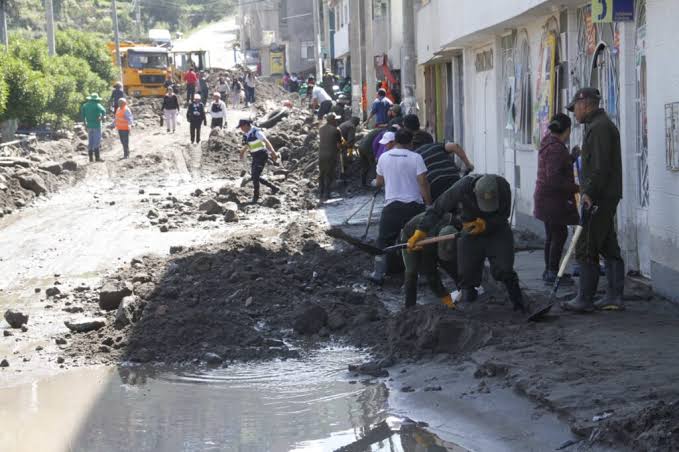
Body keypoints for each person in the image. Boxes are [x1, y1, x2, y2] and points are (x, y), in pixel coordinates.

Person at [408, 174, 527, 313]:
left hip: (498, 231)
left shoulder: (503, 187)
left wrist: (486, 225)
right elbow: (438, 208)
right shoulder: (462, 188)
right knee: (466, 273)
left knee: (504, 269)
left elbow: (504, 215)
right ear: (475, 192)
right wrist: (420, 231)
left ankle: (519, 306)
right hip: (470, 231)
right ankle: (469, 311)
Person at [561, 87, 624, 312]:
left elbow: (600, 167)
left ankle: (585, 298)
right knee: (607, 243)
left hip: (599, 196)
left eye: (575, 109)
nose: (574, 114)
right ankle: (614, 296)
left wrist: (588, 193)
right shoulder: (598, 126)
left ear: (585, 104)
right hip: (605, 194)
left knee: (586, 243)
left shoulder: (599, 128)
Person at [366, 129, 431, 284]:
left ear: (395, 141)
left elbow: (379, 182)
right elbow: (423, 182)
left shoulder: (383, 157)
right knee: (419, 239)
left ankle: (378, 273)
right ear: (410, 143)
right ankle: (422, 275)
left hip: (392, 207)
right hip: (414, 206)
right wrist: (428, 204)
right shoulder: (416, 157)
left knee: (383, 240)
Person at [533, 113, 580, 286]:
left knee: (552, 235)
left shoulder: (548, 142)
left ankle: (549, 271)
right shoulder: (556, 148)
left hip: (546, 199)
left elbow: (557, 166)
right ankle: (552, 273)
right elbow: (554, 178)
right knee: (558, 234)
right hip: (552, 201)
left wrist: (572, 158)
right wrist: (577, 188)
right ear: (566, 130)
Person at [401, 211, 460, 309]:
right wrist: (446, 299)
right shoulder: (430, 237)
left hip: (436, 237)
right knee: (412, 271)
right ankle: (410, 307)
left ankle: (464, 288)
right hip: (410, 237)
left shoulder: (456, 223)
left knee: (448, 262)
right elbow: (431, 273)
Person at [237, 119, 280, 203]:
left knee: (255, 175)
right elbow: (247, 145)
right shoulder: (246, 135)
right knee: (254, 176)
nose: (241, 129)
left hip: (262, 155)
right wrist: (242, 152)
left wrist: (273, 152)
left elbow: (266, 142)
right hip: (255, 156)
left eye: (242, 127)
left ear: (246, 125)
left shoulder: (256, 132)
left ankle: (256, 196)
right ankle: (274, 188)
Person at [318, 112, 343, 202]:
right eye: (335, 120)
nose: (337, 121)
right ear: (333, 120)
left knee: (322, 173)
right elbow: (339, 145)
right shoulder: (336, 130)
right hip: (331, 155)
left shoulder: (321, 129)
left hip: (321, 154)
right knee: (329, 174)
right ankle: (327, 194)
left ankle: (320, 193)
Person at [80, 93, 107, 162]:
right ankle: (97, 158)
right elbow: (104, 111)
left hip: (89, 126)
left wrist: (85, 124)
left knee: (90, 141)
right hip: (97, 125)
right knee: (96, 142)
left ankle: (90, 158)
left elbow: (83, 116)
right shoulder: (97, 105)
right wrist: (102, 117)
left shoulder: (85, 105)